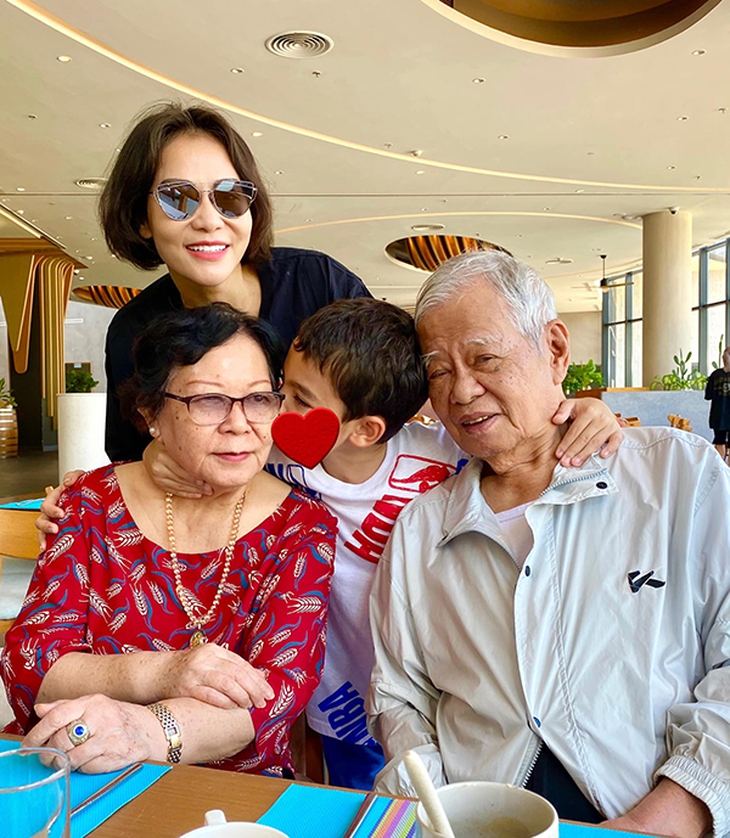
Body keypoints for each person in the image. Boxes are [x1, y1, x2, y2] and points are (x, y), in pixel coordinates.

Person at [39, 298, 622, 789]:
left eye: (289, 399)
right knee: (363, 803)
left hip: (442, 688)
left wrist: (584, 415)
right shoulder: (283, 461)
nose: (266, 417)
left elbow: (514, 444)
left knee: (455, 797)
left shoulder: (440, 455)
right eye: (279, 393)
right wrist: (148, 458)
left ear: (365, 429)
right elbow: (198, 440)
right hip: (341, 695)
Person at [368, 250, 730, 837]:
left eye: (485, 359)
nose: (461, 390)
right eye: (438, 372)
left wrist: (672, 814)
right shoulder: (421, 531)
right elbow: (400, 697)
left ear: (556, 350)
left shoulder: (677, 478)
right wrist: (437, 813)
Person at [2, 303, 336, 777]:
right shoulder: (88, 503)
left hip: (228, 790)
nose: (240, 423)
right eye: (209, 401)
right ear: (151, 412)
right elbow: (31, 664)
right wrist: (165, 671)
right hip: (70, 768)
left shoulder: (302, 526)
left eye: (259, 398)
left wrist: (142, 731)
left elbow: (277, 689)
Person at [100, 101, 370, 462]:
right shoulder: (133, 331)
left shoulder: (322, 286)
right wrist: (147, 462)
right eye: (177, 198)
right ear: (141, 218)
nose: (209, 220)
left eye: (229, 196)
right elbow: (131, 457)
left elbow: (389, 399)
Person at [705, 346, 730, 461]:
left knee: (719, 441)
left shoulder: (715, 375)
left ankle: (720, 467)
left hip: (718, 415)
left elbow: (708, 396)